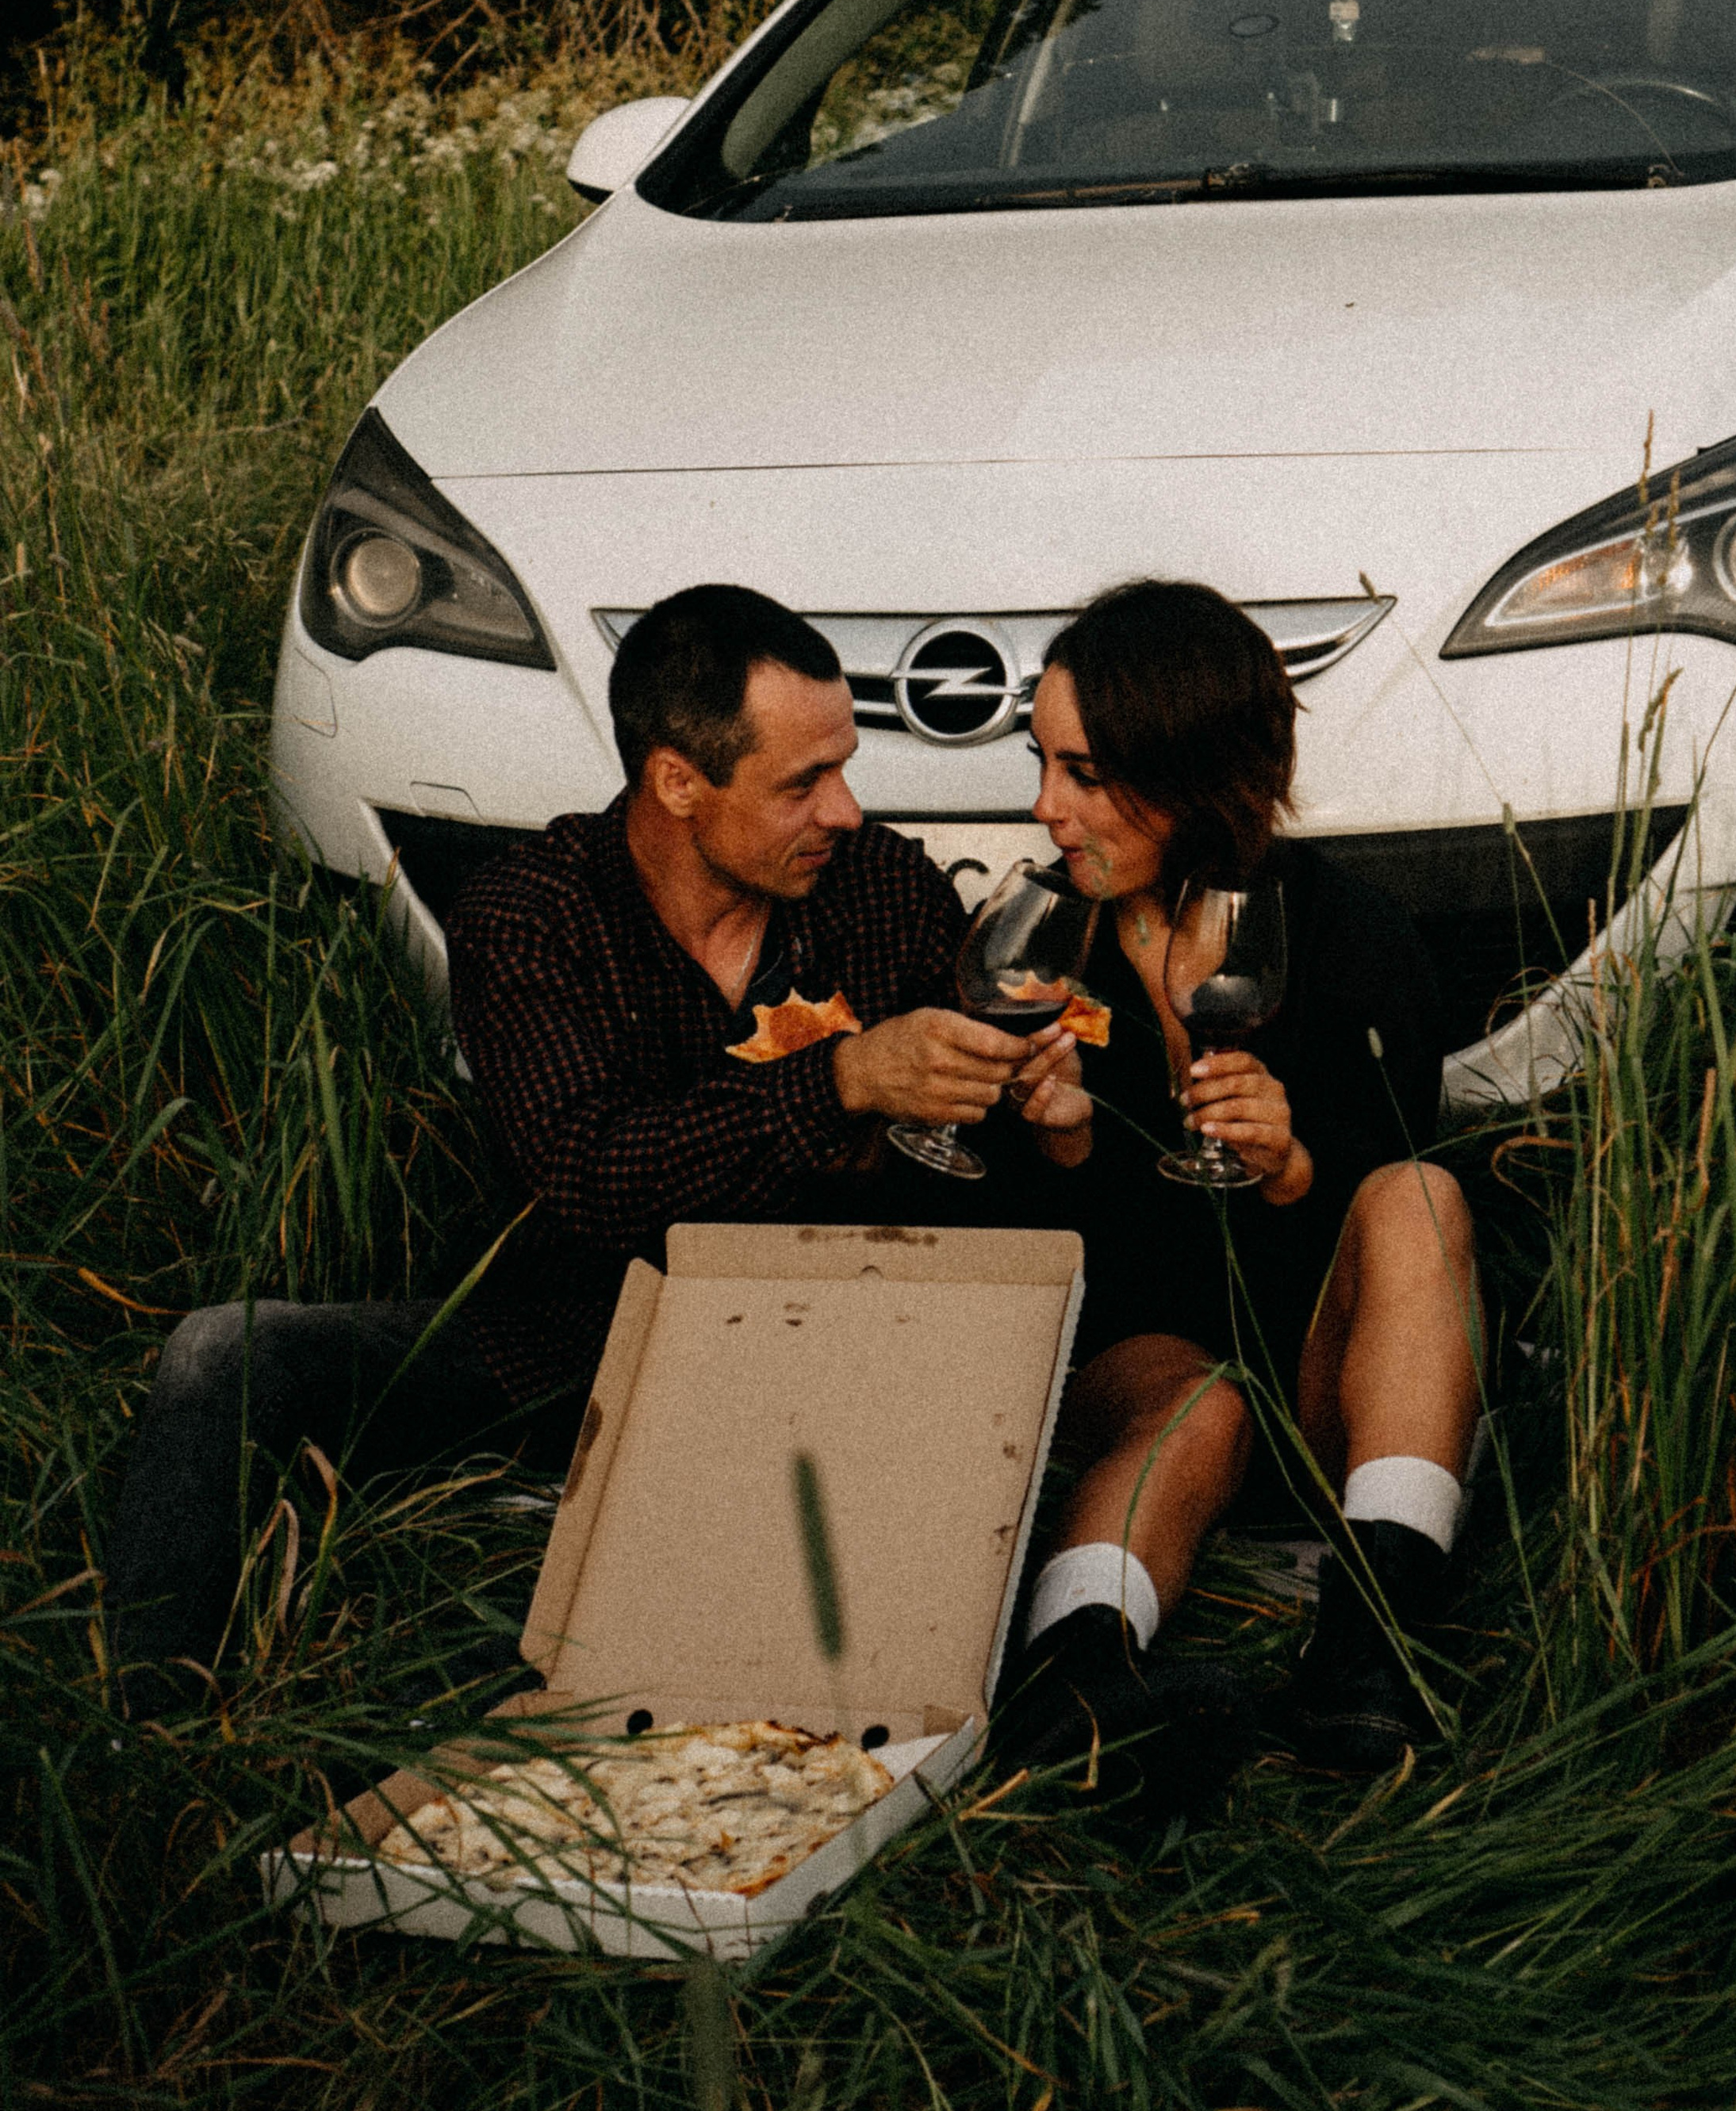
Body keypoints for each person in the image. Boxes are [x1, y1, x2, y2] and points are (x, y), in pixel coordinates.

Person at [103, 584, 1079, 1703]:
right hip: (573, 1338)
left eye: (845, 768)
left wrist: (1029, 1112)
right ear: (677, 782)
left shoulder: (878, 888)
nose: (847, 812)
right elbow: (589, 1178)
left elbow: (959, 1175)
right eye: (804, 782)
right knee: (224, 1354)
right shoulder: (532, 915)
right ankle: (152, 1731)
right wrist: (846, 1080)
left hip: (823, 1345)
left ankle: (579, 1673)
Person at [995, 578, 1485, 1805]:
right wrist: (1055, 1141)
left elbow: (1386, 1251)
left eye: (1084, 772)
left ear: (1191, 771)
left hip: (1340, 1395)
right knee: (1196, 1398)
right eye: (1044, 763)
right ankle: (1077, 1686)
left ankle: (1367, 1644)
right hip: (1157, 1373)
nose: (1046, 807)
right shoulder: (1048, 939)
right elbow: (1056, 1266)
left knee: (1422, 1199)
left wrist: (1297, 1168)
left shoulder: (1349, 940)